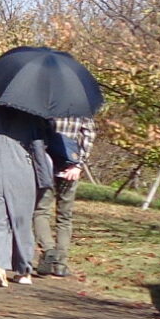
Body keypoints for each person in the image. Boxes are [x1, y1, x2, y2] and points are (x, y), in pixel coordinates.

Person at [0, 103, 68, 285]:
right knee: (22, 221)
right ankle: (23, 271)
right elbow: (40, 145)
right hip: (23, 169)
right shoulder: (34, 114)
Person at [34, 114, 94, 274]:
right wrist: (79, 165)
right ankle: (60, 264)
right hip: (70, 166)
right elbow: (88, 135)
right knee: (65, 217)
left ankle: (48, 249)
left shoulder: (45, 106)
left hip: (46, 164)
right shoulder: (82, 108)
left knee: (40, 212)